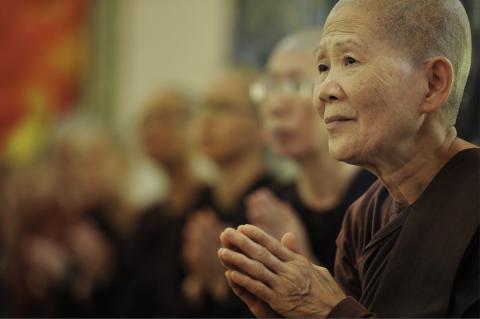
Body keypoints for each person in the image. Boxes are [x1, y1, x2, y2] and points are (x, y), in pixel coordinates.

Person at [218, 0, 479, 317]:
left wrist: (328, 310)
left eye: (350, 60)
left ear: (432, 84)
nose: (324, 90)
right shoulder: (363, 219)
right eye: (323, 67)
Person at [246, 28, 376, 271]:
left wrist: (301, 262)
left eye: (295, 84)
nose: (275, 105)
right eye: (270, 86)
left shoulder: (378, 201)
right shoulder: (272, 202)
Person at [182, 67, 277, 317]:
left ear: (261, 127)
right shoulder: (196, 203)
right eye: (203, 107)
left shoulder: (276, 206)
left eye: (222, 108)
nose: (205, 120)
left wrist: (218, 284)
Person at [115, 89, 210, 317]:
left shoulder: (212, 206)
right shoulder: (147, 218)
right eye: (146, 121)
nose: (151, 130)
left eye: (165, 118)